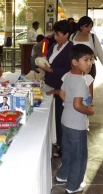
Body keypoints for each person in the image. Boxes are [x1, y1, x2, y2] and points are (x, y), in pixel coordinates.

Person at [55, 44, 95, 193]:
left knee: (68, 151)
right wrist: (90, 111)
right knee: (79, 156)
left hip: (66, 120)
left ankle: (62, 175)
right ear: (74, 62)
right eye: (86, 60)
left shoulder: (69, 75)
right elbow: (78, 105)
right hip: (77, 125)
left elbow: (62, 94)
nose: (89, 63)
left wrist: (69, 105)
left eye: (91, 60)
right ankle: (74, 185)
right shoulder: (81, 81)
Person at [37, 20, 74, 157]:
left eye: (58, 34)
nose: (55, 36)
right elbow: (48, 60)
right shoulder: (53, 46)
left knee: (60, 116)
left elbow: (68, 69)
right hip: (49, 83)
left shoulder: (71, 49)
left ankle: (62, 146)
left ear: (66, 35)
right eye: (55, 33)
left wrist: (51, 69)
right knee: (51, 116)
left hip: (61, 86)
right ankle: (54, 141)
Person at [70, 16, 103, 104]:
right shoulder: (73, 36)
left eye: (90, 27)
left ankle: (86, 105)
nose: (89, 29)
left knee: (87, 89)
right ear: (80, 26)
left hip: (89, 67)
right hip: (75, 67)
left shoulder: (92, 37)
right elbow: (69, 52)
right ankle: (75, 104)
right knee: (74, 88)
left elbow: (100, 53)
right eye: (86, 26)